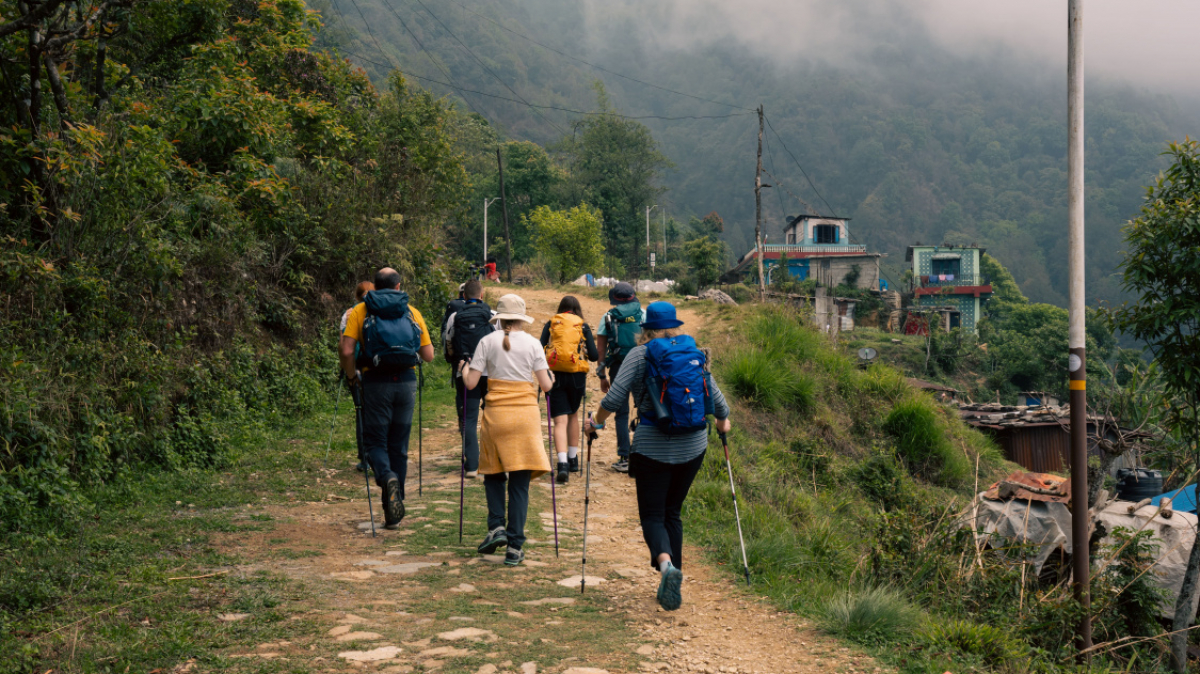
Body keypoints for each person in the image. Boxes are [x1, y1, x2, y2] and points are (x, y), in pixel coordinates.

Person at [585, 301, 732, 611]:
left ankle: (667, 569)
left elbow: (613, 399)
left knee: (653, 515)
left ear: (645, 328)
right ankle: (673, 577)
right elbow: (716, 399)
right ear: (674, 325)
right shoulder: (693, 351)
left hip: (652, 445)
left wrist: (595, 423)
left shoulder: (640, 354)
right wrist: (722, 420)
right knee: (672, 513)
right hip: (693, 445)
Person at [461, 294, 553, 566]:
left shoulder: (487, 341)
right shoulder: (534, 343)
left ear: (498, 318)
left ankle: (496, 527)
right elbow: (546, 386)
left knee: (493, 473)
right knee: (520, 482)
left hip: (496, 415)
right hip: (524, 416)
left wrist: (464, 369)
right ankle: (514, 546)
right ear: (522, 318)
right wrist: (551, 377)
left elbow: (471, 384)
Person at [340, 268, 435, 529]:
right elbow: (428, 355)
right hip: (405, 382)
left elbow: (347, 349)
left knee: (374, 443)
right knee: (399, 446)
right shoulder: (411, 311)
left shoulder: (361, 310)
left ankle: (386, 476)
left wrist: (351, 377)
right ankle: (397, 503)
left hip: (375, 381)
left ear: (374, 286)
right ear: (398, 286)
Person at [539, 296, 599, 484]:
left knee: (559, 422)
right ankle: (573, 460)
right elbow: (595, 356)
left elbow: (538, 349)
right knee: (573, 415)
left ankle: (562, 463)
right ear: (577, 309)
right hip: (576, 377)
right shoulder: (583, 325)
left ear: (561, 308)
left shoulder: (552, 323)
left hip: (554, 375)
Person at [444, 279, 494, 478]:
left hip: (465, 371)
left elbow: (448, 343)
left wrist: (455, 362)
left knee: (469, 419)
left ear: (463, 296)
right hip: (490, 374)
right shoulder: (492, 315)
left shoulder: (455, 316)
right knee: (492, 418)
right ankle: (492, 462)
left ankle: (472, 465)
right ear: (482, 295)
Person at [594, 282, 644, 473]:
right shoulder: (643, 314)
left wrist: (602, 376)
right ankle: (642, 456)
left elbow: (600, 349)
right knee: (644, 410)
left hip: (618, 366)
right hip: (641, 365)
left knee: (621, 412)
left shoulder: (608, 317)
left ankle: (624, 457)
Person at [340, 281, 374, 473]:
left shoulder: (349, 314)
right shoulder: (382, 311)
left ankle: (364, 458)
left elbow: (343, 346)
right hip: (377, 368)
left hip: (357, 369)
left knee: (361, 412)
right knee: (377, 412)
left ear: (356, 296)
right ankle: (380, 455)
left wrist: (348, 372)